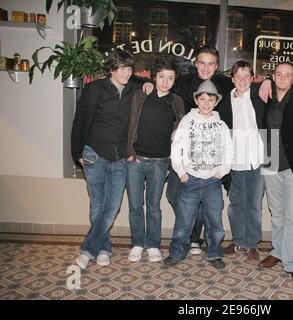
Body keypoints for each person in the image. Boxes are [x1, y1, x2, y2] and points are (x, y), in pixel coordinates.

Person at [148, 46, 233, 255]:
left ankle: (196, 239)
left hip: (210, 158)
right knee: (174, 195)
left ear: (217, 65)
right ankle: (191, 235)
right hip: (184, 153)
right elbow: (163, 85)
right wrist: (147, 84)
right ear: (196, 63)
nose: (206, 67)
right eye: (202, 62)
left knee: (209, 204)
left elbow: (248, 88)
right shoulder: (183, 82)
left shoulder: (226, 84)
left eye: (211, 63)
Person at [71, 49, 150, 269]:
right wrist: (76, 153)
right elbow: (79, 121)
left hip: (120, 157)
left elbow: (143, 78)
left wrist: (149, 83)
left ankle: (88, 250)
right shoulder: (94, 89)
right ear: (111, 69)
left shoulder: (133, 88)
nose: (126, 72)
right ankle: (103, 249)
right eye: (121, 68)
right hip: (94, 153)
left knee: (112, 207)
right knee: (98, 205)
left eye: (129, 68)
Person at [164, 80, 233, 269]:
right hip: (190, 180)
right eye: (202, 99)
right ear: (196, 100)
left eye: (210, 100)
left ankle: (214, 253)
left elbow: (228, 151)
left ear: (216, 102)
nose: (206, 103)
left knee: (214, 222)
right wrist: (181, 171)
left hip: (212, 182)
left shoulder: (221, 125)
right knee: (184, 220)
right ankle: (177, 251)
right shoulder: (187, 120)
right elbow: (176, 146)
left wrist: (222, 172)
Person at [258, 63, 293, 286]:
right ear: (273, 76)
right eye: (278, 74)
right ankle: (278, 251)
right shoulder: (267, 96)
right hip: (270, 164)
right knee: (277, 213)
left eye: (287, 75)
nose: (282, 77)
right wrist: (263, 80)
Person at [125, 57, 185, 263]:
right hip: (136, 159)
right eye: (161, 77)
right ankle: (137, 243)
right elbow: (130, 123)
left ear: (175, 80)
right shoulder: (141, 95)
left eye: (170, 78)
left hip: (160, 162)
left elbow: (180, 136)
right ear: (154, 76)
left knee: (153, 206)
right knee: (134, 205)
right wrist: (129, 152)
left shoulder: (176, 102)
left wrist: (170, 164)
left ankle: (152, 244)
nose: (165, 81)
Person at [217, 61, 266, 261]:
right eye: (239, 76)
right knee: (235, 203)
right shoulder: (225, 101)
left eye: (247, 76)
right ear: (233, 79)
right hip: (234, 161)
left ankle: (252, 243)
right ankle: (238, 240)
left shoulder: (259, 94)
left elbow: (289, 84)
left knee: (254, 204)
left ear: (253, 78)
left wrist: (268, 81)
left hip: (258, 159)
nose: (243, 80)